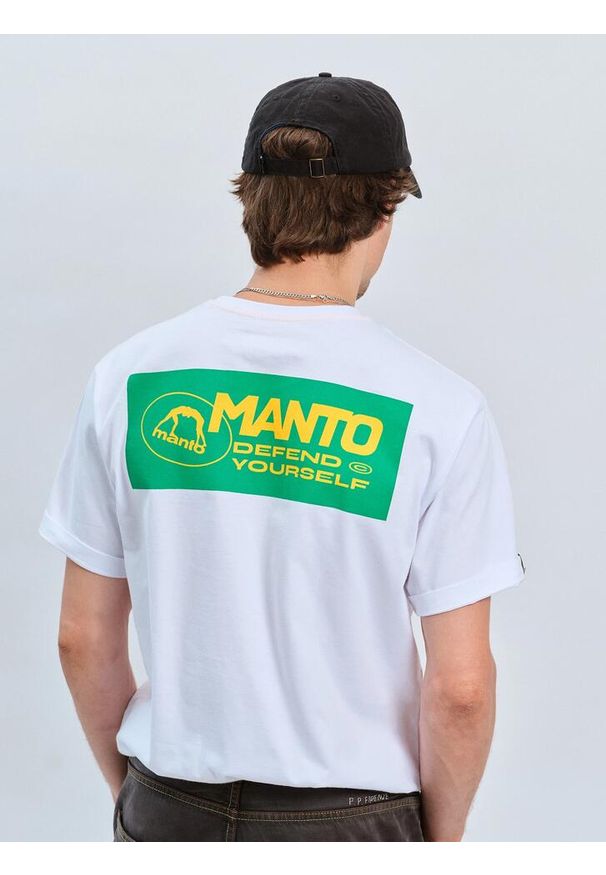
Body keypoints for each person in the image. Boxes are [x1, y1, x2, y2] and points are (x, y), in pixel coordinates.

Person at [38, 72, 525, 842]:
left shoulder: (127, 379)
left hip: (170, 804)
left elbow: (82, 636)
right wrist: (440, 840)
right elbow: (460, 688)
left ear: (252, 202)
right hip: (351, 820)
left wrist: (138, 798)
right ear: (385, 210)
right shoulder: (439, 408)